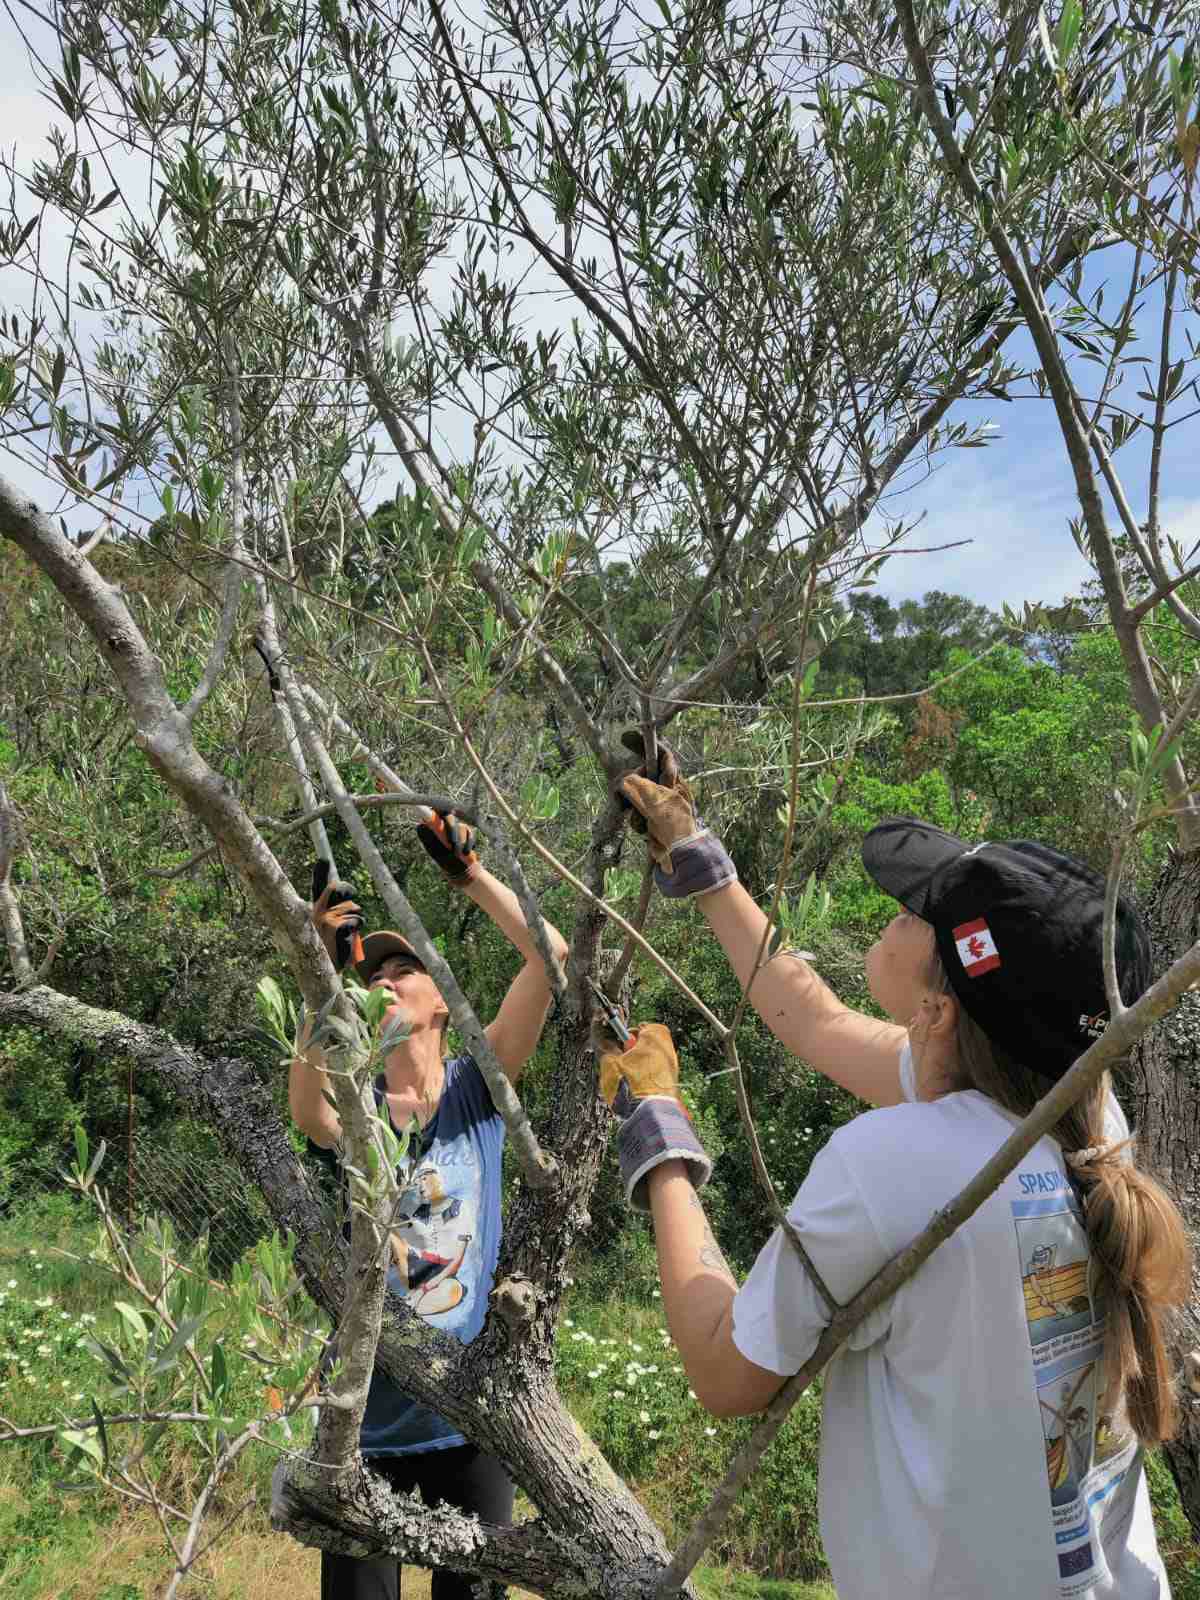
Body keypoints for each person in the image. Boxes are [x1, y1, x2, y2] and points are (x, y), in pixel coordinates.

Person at [601, 754, 1192, 1600]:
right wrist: (697, 855)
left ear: (937, 1009)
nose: (897, 911)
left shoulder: (892, 1166)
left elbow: (724, 1372)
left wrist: (659, 1135)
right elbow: (813, 1019)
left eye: (917, 911)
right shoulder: (1086, 1120)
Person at [289, 809, 568, 1600]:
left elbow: (552, 959)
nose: (381, 980)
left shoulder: (479, 1096)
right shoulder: (356, 1107)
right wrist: (321, 975)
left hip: (469, 1423)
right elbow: (306, 1110)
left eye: (398, 971)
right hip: (365, 1423)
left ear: (442, 1002)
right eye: (368, 974)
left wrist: (470, 875)